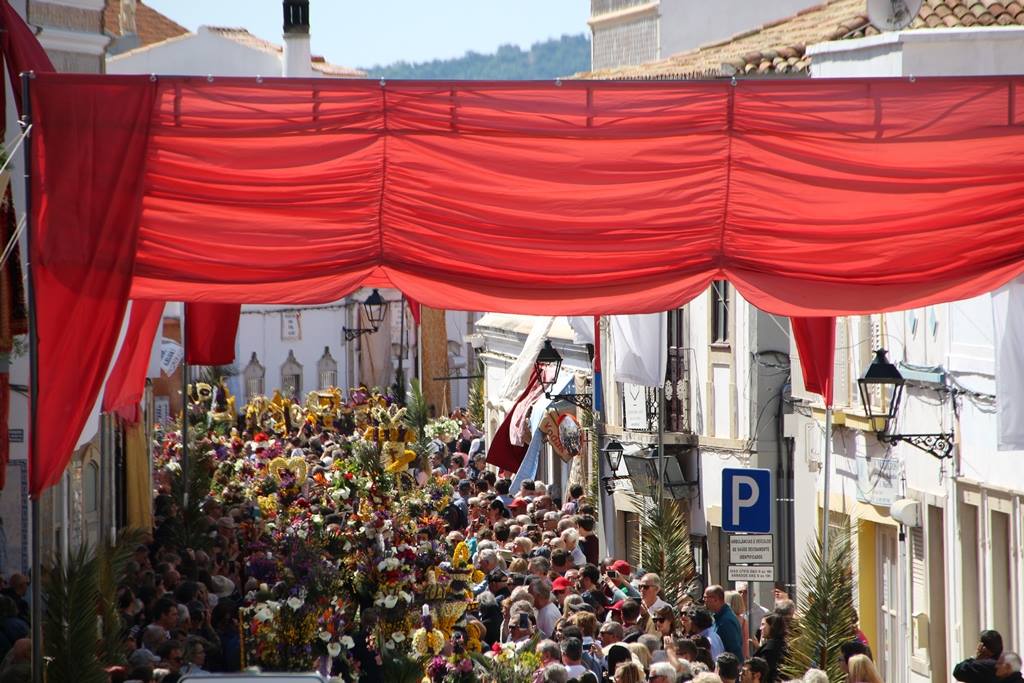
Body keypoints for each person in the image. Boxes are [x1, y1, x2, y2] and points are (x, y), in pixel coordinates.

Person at [704, 586, 743, 661]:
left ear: (715, 599)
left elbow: (734, 650)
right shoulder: (718, 617)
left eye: (705, 597)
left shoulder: (726, 621)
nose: (703, 600)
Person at [752, 614, 786, 683]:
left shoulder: (770, 649)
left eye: (763, 624)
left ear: (772, 626)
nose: (760, 628)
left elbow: (765, 673)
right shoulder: (781, 644)